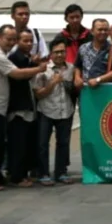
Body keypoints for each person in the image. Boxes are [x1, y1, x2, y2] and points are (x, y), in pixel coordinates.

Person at [0, 25, 46, 192]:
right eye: (9, 39)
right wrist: (39, 68)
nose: (12, 42)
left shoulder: (3, 53)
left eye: (14, 39)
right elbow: (16, 74)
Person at [33, 39, 75, 186]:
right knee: (43, 144)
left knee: (63, 143)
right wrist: (53, 82)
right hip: (46, 111)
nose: (60, 55)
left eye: (62, 51)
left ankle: (61, 172)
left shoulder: (71, 68)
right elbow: (38, 94)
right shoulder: (43, 69)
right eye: (56, 52)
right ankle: (43, 173)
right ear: (51, 54)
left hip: (66, 111)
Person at [6, 29, 41, 187]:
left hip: (28, 106)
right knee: (18, 144)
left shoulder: (26, 58)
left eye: (30, 41)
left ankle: (23, 173)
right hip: (18, 107)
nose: (28, 44)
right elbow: (21, 76)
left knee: (26, 143)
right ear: (17, 42)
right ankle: (16, 176)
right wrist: (36, 66)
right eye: (24, 41)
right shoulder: (15, 58)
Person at [74, 18, 112, 90]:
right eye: (100, 29)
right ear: (92, 31)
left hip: (107, 90)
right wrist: (77, 78)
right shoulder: (83, 47)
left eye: (106, 30)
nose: (103, 32)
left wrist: (98, 80)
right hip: (86, 90)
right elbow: (78, 66)